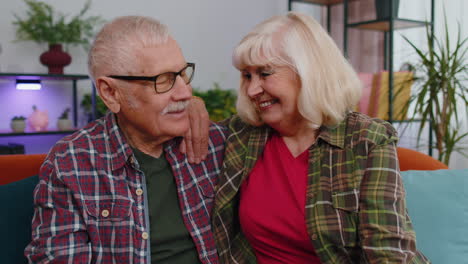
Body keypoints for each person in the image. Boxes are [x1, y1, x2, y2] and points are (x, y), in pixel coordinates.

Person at [212, 12, 429, 263]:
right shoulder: (241, 136)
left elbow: (388, 251)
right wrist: (193, 107)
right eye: (247, 75)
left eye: (265, 73)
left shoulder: (367, 140)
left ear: (308, 72)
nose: (251, 90)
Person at [25, 16, 227, 264]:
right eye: (162, 80)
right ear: (110, 93)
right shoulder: (72, 163)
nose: (185, 92)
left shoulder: (216, 140)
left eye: (183, 74)